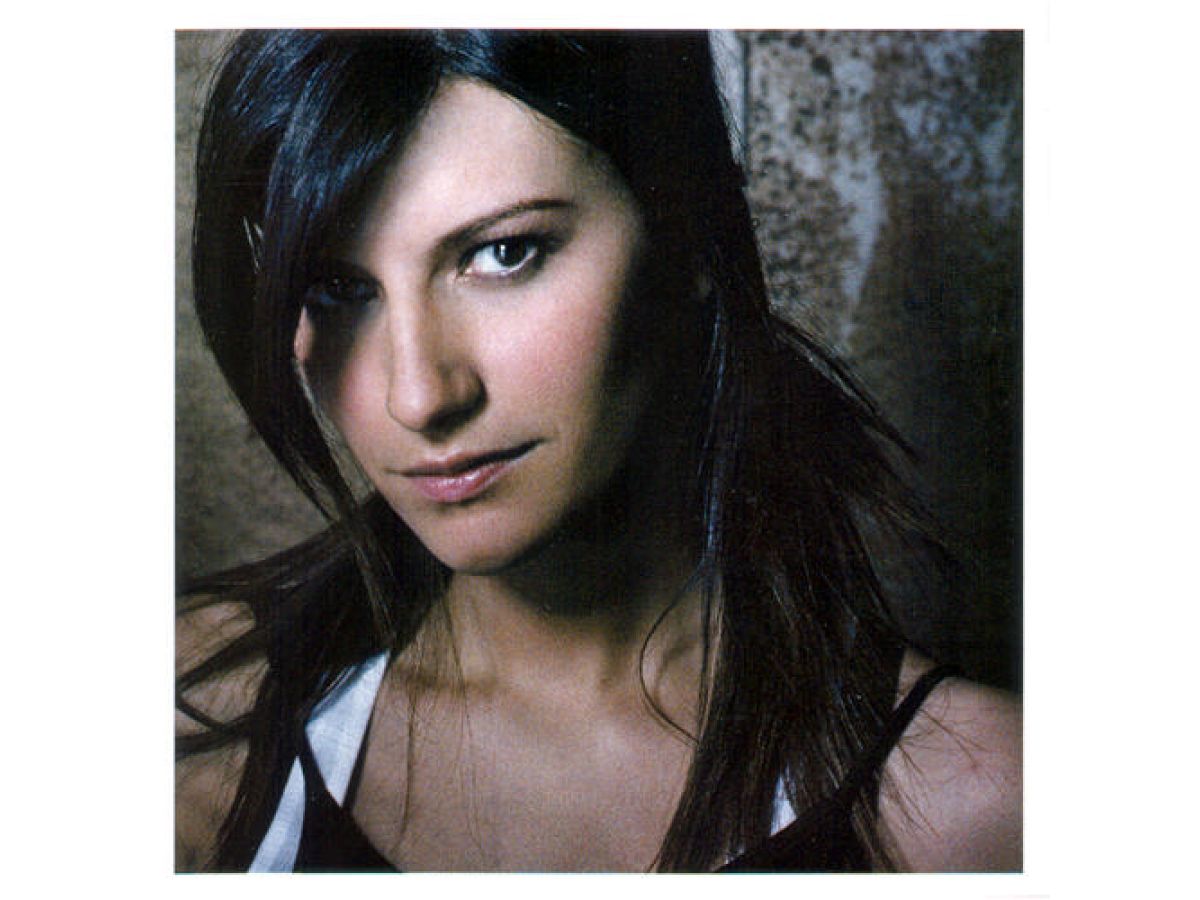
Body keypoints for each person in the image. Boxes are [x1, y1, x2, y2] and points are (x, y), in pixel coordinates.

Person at [176, 29, 1020, 873]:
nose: (420, 397)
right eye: (338, 289)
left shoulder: (976, 805)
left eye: (504, 253)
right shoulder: (201, 723)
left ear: (689, 231)